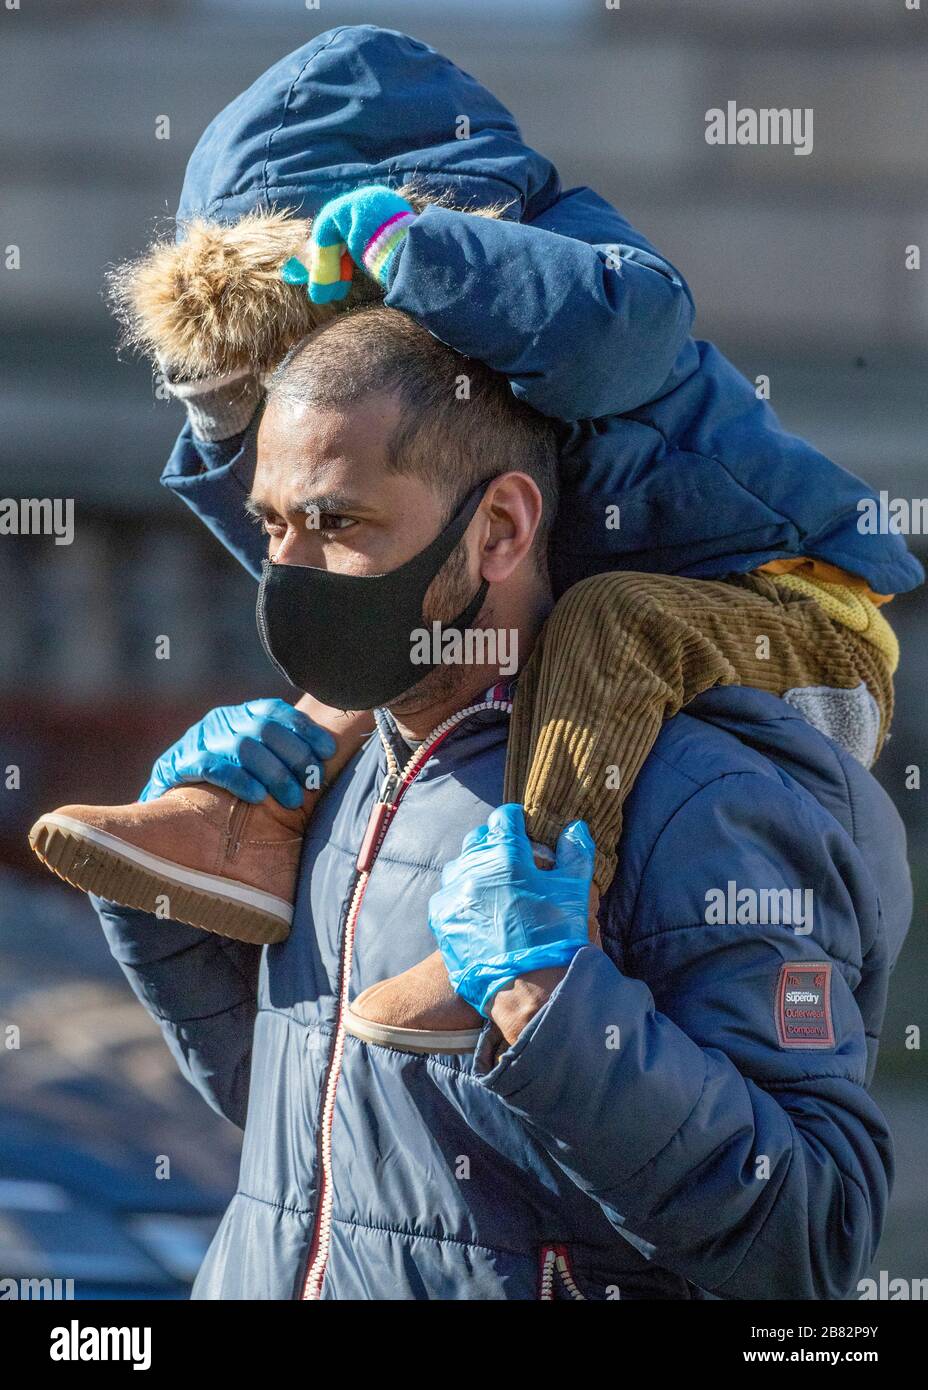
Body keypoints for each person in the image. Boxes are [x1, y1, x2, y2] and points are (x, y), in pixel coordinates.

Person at [75, 309, 910, 1300]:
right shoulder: (338, 777)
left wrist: (552, 1007)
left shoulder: (703, 798)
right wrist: (171, 899)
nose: (288, 572)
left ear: (500, 527)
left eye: (338, 523)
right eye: (272, 523)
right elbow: (327, 1134)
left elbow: (811, 1234)